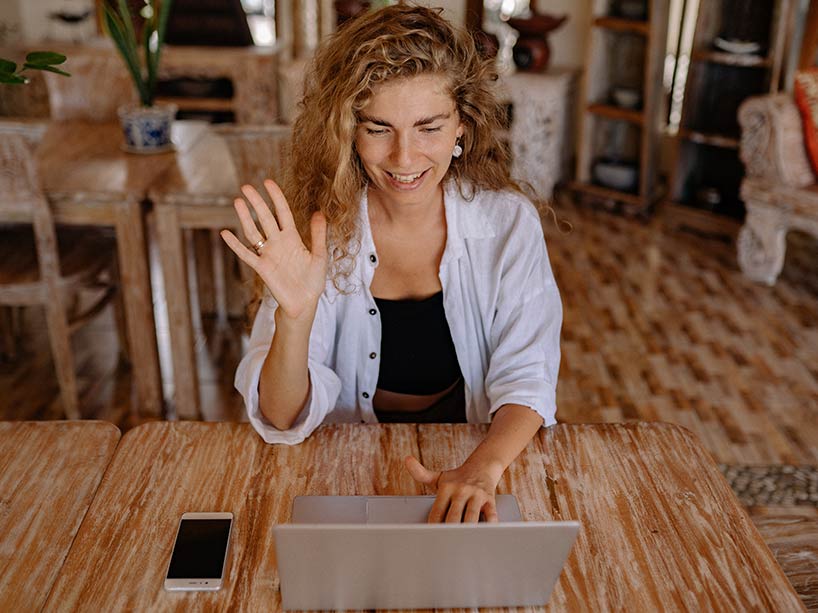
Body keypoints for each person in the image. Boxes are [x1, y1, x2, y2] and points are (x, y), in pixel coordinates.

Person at [221, 3, 562, 524]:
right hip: (339, 472)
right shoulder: (319, 232)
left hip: (474, 457)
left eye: (429, 127)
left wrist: (481, 469)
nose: (405, 158)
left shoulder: (507, 224)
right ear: (349, 133)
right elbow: (280, 416)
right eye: (379, 128)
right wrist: (295, 317)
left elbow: (528, 376)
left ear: (461, 128)